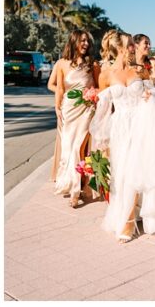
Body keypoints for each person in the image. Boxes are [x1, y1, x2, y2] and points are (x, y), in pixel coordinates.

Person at [92, 31, 155, 243]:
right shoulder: (105, 74)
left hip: (141, 126)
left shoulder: (138, 72)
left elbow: (152, 93)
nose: (133, 49)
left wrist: (149, 96)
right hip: (120, 128)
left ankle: (129, 222)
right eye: (129, 46)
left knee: (137, 171)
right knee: (123, 174)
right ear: (120, 48)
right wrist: (102, 140)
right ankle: (128, 214)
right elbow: (103, 109)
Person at [52, 30, 101, 207]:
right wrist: (57, 107)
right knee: (67, 148)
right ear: (73, 42)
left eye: (87, 41)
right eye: (82, 41)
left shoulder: (92, 64)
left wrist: (93, 94)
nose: (86, 44)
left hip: (86, 110)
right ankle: (73, 184)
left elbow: (100, 87)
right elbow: (59, 88)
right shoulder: (62, 64)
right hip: (68, 110)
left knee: (78, 148)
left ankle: (76, 191)